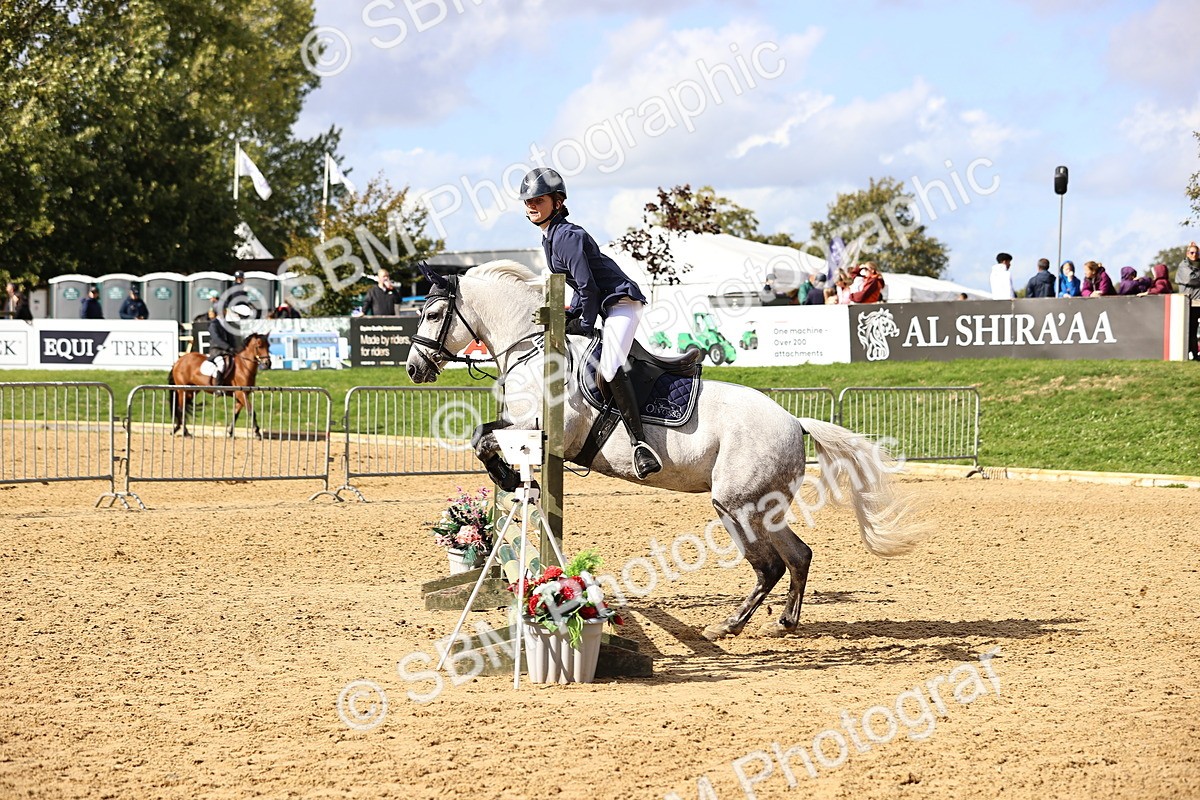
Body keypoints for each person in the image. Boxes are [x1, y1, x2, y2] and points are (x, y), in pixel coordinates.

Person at [520, 166, 662, 480]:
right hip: (602, 306)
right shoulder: (551, 238)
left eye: (539, 200)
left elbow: (588, 286)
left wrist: (582, 321)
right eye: (528, 201)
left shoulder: (567, 235)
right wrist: (570, 315)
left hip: (621, 303)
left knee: (609, 367)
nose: (531, 206)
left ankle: (640, 445)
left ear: (557, 202)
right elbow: (577, 289)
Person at [1177, 242, 1200, 359]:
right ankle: (1188, 354)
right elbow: (1190, 279)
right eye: (1191, 252)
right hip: (1188, 303)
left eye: (1196, 253)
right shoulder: (1183, 266)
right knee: (1189, 330)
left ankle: (1195, 354)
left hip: (1198, 303)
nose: (1194, 255)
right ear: (1187, 253)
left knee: (1194, 330)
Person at [205, 307, 239, 386]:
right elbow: (216, 338)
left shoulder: (226, 324)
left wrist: (234, 348)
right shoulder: (213, 324)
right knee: (221, 364)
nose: (225, 312)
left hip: (227, 350)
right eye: (223, 310)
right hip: (217, 350)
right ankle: (218, 386)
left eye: (225, 310)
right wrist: (227, 347)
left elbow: (231, 338)